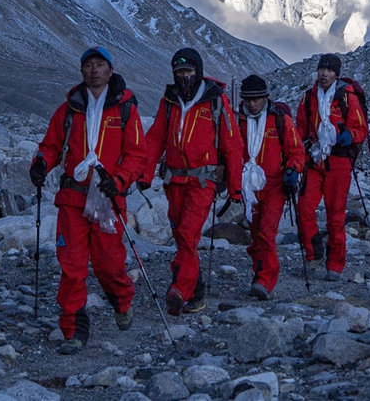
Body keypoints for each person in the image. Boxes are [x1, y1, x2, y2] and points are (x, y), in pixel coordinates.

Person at [29, 46, 147, 355]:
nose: (94, 70)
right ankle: (74, 330)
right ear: (82, 71)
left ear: (110, 71)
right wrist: (41, 163)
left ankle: (122, 300)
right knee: (72, 265)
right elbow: (51, 145)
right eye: (89, 65)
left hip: (108, 197)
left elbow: (137, 155)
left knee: (109, 264)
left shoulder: (125, 110)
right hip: (73, 198)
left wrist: (118, 180)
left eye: (100, 65)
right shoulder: (69, 109)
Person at [142, 48, 243, 316]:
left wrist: (235, 188)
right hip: (173, 180)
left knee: (188, 233)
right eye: (179, 72)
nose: (184, 76)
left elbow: (232, 144)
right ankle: (196, 294)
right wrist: (144, 174)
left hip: (203, 181)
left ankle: (179, 289)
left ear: (198, 71)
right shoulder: (169, 101)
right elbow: (155, 138)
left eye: (188, 71)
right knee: (181, 236)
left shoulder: (215, 100)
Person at [296, 53, 369, 282]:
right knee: (304, 207)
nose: (324, 74)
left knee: (335, 214)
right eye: (322, 69)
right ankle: (314, 252)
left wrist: (350, 136)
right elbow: (300, 130)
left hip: (339, 161)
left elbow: (361, 129)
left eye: (329, 70)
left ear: (336, 74)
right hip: (314, 159)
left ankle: (335, 263)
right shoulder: (308, 98)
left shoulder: (347, 97)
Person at [235, 74, 305, 300]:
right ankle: (259, 274)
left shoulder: (280, 120)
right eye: (248, 100)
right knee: (256, 235)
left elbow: (296, 151)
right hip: (249, 188)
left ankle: (265, 281)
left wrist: (293, 169)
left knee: (267, 232)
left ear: (265, 98)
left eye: (256, 99)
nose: (252, 104)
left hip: (275, 185)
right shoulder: (237, 121)